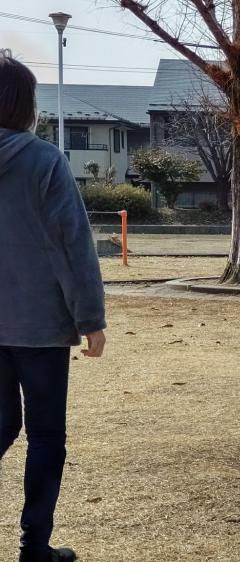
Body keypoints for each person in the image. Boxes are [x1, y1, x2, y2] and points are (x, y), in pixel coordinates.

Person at [0, 54, 106, 562]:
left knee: (1, 426)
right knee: (45, 435)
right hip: (38, 324)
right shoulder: (44, 161)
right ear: (25, 105)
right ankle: (33, 548)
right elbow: (74, 245)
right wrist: (92, 320)